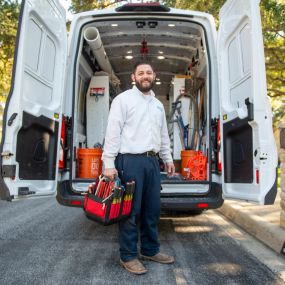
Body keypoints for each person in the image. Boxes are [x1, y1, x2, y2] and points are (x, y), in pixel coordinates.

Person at [102, 61, 175, 275]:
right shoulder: (123, 100)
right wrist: (108, 163)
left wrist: (167, 159)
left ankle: (150, 250)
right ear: (133, 77)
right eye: (141, 72)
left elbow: (163, 135)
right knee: (130, 212)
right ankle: (129, 255)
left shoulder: (158, 105)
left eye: (149, 73)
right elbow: (113, 132)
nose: (145, 76)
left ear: (154, 76)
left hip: (152, 162)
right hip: (130, 161)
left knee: (151, 210)